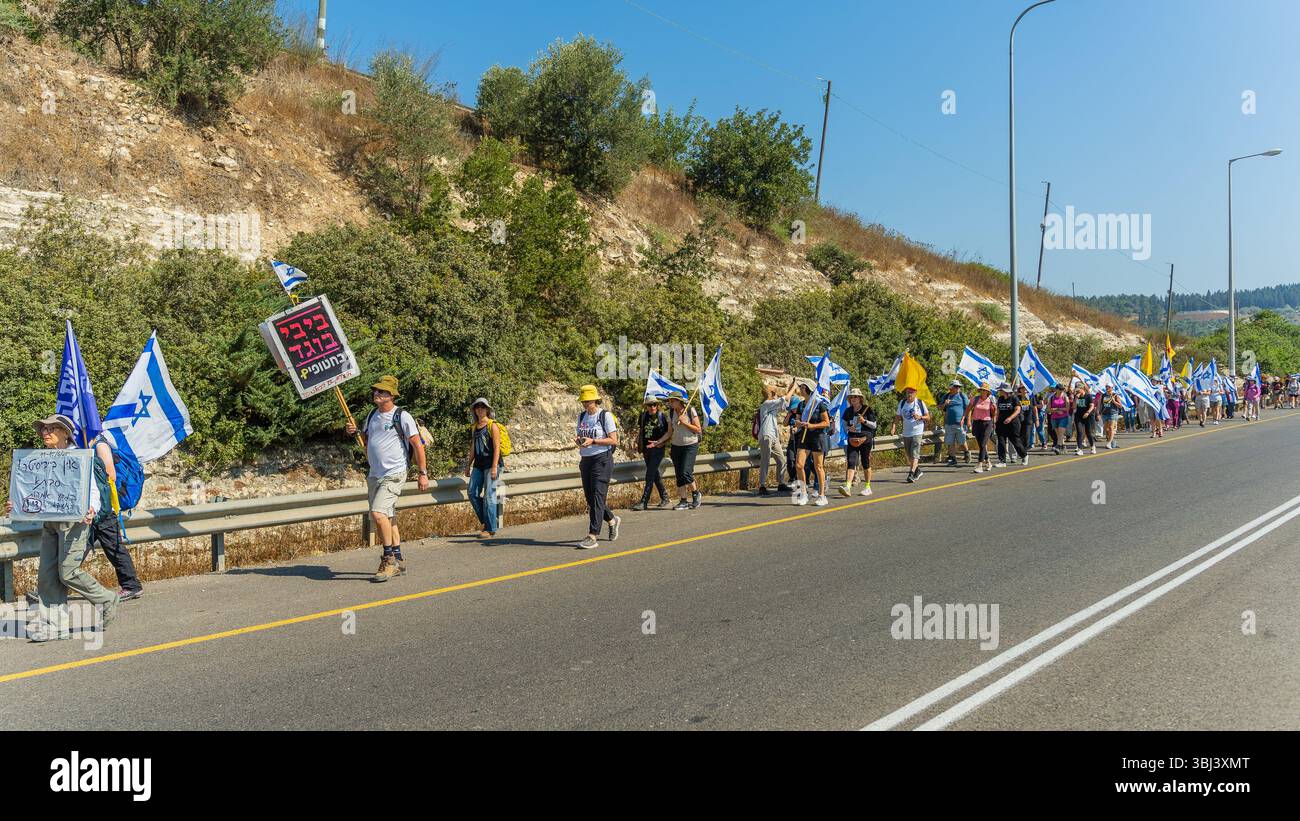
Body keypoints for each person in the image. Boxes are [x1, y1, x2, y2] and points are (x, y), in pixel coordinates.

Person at [6, 414, 119, 642]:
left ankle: (105, 599)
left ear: (65, 433)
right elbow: (32, 491)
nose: (45, 433)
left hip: (75, 522)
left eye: (52, 429)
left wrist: (92, 509)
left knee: (67, 572)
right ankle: (54, 627)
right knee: (47, 576)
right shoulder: (40, 460)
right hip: (50, 522)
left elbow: (94, 491)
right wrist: (16, 503)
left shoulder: (79, 457)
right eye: (43, 430)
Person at [347, 376, 428, 580]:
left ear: (391, 395)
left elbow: (418, 445)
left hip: (394, 473)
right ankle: (398, 559)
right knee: (388, 516)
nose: (376, 394)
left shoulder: (402, 416)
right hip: (375, 473)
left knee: (378, 513)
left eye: (381, 392)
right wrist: (354, 431)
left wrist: (422, 473)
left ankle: (388, 559)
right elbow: (366, 440)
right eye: (375, 390)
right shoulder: (372, 415)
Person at [89, 435, 143, 601]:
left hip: (104, 509)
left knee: (115, 549)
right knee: (71, 552)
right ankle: (50, 590)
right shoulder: (86, 444)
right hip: (91, 509)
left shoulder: (100, 445)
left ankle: (131, 586)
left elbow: (110, 475)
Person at [574, 384, 620, 549]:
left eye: (588, 401)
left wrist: (593, 441)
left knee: (598, 497)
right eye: (583, 401)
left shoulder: (605, 416)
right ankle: (611, 519)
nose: (585, 404)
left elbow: (613, 440)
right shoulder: (581, 417)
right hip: (586, 460)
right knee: (590, 498)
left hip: (602, 460)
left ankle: (592, 535)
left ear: (595, 399)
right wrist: (579, 441)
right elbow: (580, 435)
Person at [655, 391, 703, 511]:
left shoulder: (690, 410)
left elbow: (698, 429)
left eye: (672, 401)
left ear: (679, 401)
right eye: (669, 401)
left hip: (690, 445)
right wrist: (659, 441)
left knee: (686, 472)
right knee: (679, 475)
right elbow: (669, 432)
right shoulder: (671, 413)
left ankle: (696, 493)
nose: (670, 403)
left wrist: (685, 422)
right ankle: (683, 500)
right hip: (676, 446)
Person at [463, 397, 502, 538]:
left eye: (482, 406)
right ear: (474, 410)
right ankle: (488, 520)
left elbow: (497, 447)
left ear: (487, 409)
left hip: (492, 464)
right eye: (477, 407)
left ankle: (490, 529)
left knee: (489, 496)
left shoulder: (493, 425)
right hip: (478, 465)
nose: (480, 409)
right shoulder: (475, 426)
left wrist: (494, 467)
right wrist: (468, 465)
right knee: (472, 493)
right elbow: (473, 447)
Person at [790, 382, 830, 505]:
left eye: (802, 387)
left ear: (808, 389)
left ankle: (822, 495)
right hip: (804, 436)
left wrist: (812, 425)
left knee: (818, 466)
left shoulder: (819, 404)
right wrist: (796, 426)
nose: (800, 389)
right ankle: (803, 493)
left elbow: (826, 423)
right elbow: (798, 419)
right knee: (799, 465)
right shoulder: (801, 404)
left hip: (818, 437)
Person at [632, 396, 671, 509]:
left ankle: (644, 502)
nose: (652, 407)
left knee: (649, 474)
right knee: (654, 474)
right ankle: (665, 497)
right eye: (650, 405)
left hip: (658, 448)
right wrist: (637, 442)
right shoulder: (643, 416)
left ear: (658, 405)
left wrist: (661, 443)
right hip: (646, 449)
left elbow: (669, 433)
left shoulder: (662, 416)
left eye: (654, 404)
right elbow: (641, 430)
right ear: (646, 406)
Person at [838, 388, 877, 497]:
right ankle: (848, 486)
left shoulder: (867, 409)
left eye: (855, 397)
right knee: (851, 461)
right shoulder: (848, 411)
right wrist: (848, 429)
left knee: (865, 463)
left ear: (860, 399)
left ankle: (868, 486)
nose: (853, 399)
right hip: (852, 439)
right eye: (851, 397)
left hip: (865, 440)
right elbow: (844, 425)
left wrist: (864, 421)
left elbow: (874, 425)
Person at [755, 384, 790, 496]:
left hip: (774, 437)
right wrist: (793, 389)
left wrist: (788, 391)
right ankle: (762, 485)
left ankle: (781, 483)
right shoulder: (765, 404)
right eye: (773, 392)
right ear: (769, 394)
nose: (775, 393)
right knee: (765, 461)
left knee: (781, 460)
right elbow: (783, 399)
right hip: (766, 436)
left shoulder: (772, 405)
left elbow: (784, 405)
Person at [889, 385, 930, 483]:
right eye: (908, 392)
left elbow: (928, 417)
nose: (909, 394)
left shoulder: (919, 403)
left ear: (915, 393)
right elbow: (898, 417)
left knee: (915, 453)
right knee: (909, 454)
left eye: (911, 392)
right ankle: (917, 471)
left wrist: (920, 417)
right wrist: (894, 427)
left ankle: (911, 473)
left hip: (917, 431)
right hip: (906, 432)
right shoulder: (902, 403)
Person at [993, 382, 1026, 467]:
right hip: (1001, 423)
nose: (999, 391)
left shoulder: (1014, 398)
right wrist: (995, 420)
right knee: (1001, 441)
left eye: (1001, 390)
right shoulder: (1000, 398)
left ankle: (1024, 455)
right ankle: (1002, 461)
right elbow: (998, 410)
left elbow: (1018, 410)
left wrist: (1010, 418)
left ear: (1005, 390)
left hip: (1013, 423)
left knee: (1015, 441)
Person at [966, 383, 996, 473]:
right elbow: (968, 409)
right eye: (982, 390)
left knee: (983, 444)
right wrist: (967, 420)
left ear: (987, 392)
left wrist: (994, 418)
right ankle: (988, 461)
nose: (983, 392)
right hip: (976, 423)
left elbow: (994, 413)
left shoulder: (991, 400)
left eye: (985, 390)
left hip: (987, 423)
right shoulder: (975, 399)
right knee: (981, 445)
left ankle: (980, 465)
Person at [938, 380, 969, 468]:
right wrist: (945, 404)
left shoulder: (962, 395)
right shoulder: (946, 396)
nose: (958, 388)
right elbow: (939, 407)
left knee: (962, 441)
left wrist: (967, 420)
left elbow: (968, 408)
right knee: (950, 442)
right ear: (951, 387)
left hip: (960, 423)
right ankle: (953, 459)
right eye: (956, 386)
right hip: (949, 423)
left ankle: (966, 452)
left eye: (959, 386)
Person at [1073, 384, 1096, 455]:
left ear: (1082, 389)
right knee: (1079, 432)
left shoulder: (1088, 396)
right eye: (1076, 390)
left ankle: (1092, 446)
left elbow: (1092, 406)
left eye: (1078, 390)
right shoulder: (1076, 396)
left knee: (1088, 432)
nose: (1077, 391)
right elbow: (1074, 407)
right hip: (1079, 416)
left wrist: (1088, 412)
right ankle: (1079, 449)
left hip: (1088, 416)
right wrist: (1076, 398)